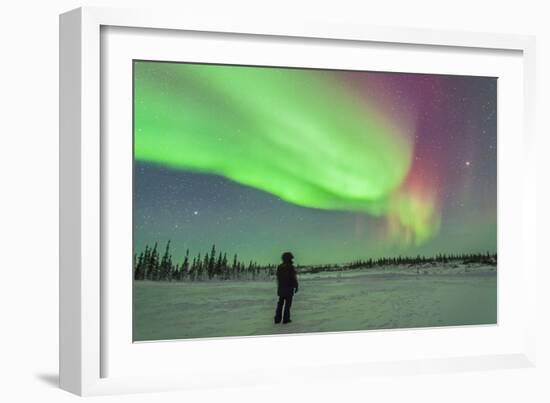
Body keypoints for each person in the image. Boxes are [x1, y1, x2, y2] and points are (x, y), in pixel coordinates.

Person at [274, 252, 299, 324]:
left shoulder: (280, 267)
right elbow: (293, 278)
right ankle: (286, 319)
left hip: (281, 288)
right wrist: (296, 286)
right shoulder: (290, 267)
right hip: (288, 288)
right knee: (287, 304)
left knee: (280, 303)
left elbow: (278, 278)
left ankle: (277, 319)